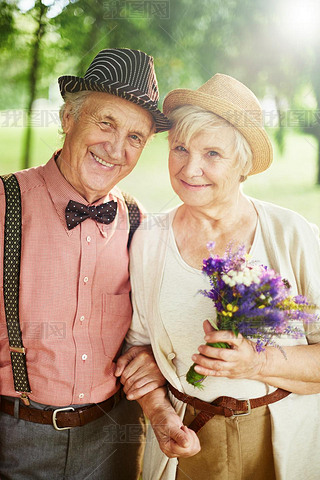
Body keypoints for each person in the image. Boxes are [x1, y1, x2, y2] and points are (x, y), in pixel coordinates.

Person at [118, 73, 320, 480]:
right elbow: (140, 352)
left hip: (278, 436)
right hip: (188, 438)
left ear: (243, 165)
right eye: (180, 148)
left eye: (212, 153)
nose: (190, 168)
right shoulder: (149, 240)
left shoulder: (291, 234)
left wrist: (255, 363)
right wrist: (159, 414)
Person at [0, 48, 170, 480]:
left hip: (115, 440)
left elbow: (156, 329)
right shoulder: (6, 204)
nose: (116, 148)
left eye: (135, 137)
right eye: (105, 122)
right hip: (15, 439)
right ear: (68, 118)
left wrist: (154, 356)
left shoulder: (138, 223)